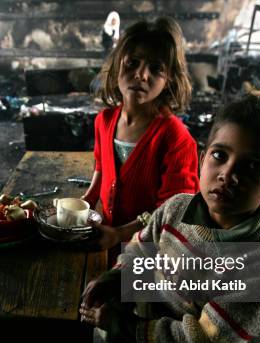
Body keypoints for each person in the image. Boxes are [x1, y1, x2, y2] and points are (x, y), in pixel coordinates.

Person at [79, 93, 260, 343]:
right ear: (202, 157)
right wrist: (114, 278)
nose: (229, 175)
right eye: (220, 155)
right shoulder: (177, 208)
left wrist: (123, 326)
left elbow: (207, 340)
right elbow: (140, 250)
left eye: (255, 167)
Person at [83, 18, 199, 254]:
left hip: (149, 249)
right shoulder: (104, 121)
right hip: (106, 236)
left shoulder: (175, 138)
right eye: (133, 63)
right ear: (117, 67)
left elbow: (174, 212)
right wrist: (85, 201)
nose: (141, 75)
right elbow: (101, 166)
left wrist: (121, 234)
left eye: (156, 68)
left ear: (169, 81)